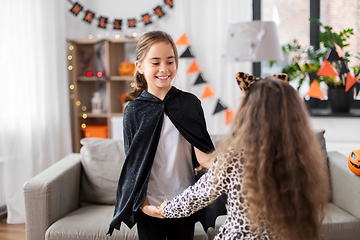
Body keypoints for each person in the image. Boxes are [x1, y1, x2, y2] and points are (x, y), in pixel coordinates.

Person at [160, 72, 330, 240]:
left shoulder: (234, 161)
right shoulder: (301, 161)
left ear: (248, 116)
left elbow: (195, 198)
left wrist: (166, 209)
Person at [108, 30, 225, 240]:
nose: (164, 69)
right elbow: (133, 166)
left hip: (184, 200)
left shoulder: (190, 104)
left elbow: (204, 156)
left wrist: (233, 167)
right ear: (140, 67)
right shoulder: (134, 111)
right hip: (149, 203)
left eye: (170, 61)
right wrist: (143, 206)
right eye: (155, 62)